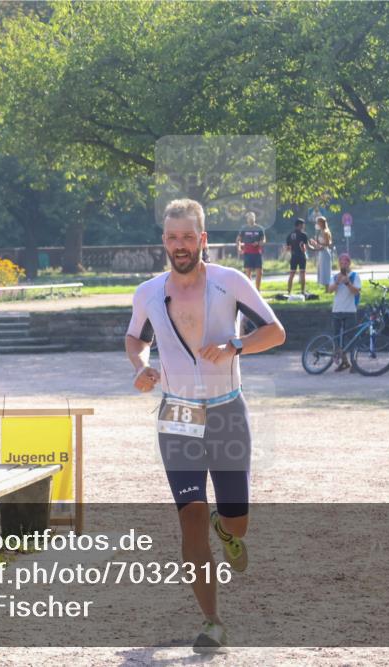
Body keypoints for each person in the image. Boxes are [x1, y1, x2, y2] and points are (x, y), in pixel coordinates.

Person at [126, 198, 286, 653]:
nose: (180, 245)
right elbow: (135, 336)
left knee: (236, 524)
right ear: (164, 241)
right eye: (172, 237)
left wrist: (235, 344)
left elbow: (275, 331)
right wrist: (140, 364)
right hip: (177, 413)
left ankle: (227, 528)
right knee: (189, 521)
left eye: (188, 237)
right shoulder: (149, 292)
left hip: (227, 411)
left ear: (203, 239)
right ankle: (213, 621)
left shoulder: (229, 282)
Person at [327, 253, 362, 372]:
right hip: (337, 309)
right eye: (341, 263)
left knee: (350, 338)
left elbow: (356, 292)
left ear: (349, 263)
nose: (343, 265)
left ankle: (354, 364)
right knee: (337, 338)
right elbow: (329, 290)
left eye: (346, 262)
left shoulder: (354, 276)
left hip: (350, 310)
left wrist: (347, 283)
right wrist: (337, 282)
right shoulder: (335, 276)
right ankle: (344, 362)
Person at [235, 211, 266, 291]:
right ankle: (250, 291)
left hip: (257, 253)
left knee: (259, 272)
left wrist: (258, 243)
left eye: (252, 217)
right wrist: (239, 248)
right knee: (248, 273)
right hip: (247, 253)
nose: (251, 219)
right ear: (247, 219)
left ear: (255, 218)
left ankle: (258, 290)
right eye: (249, 217)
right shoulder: (244, 229)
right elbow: (238, 240)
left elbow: (264, 240)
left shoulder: (260, 228)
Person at [284, 219, 310, 294]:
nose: (304, 226)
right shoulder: (303, 235)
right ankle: (303, 291)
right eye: (303, 224)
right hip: (301, 256)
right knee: (302, 274)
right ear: (299, 225)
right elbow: (305, 247)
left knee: (291, 274)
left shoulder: (289, 235)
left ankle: (289, 291)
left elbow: (288, 248)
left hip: (294, 256)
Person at [310, 216, 334, 287]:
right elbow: (319, 244)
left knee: (326, 270)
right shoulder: (320, 232)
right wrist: (315, 243)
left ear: (321, 223)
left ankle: (327, 287)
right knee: (322, 270)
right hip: (321, 252)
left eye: (317, 222)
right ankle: (325, 287)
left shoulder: (325, 232)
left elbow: (328, 243)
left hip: (325, 252)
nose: (316, 224)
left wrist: (318, 243)